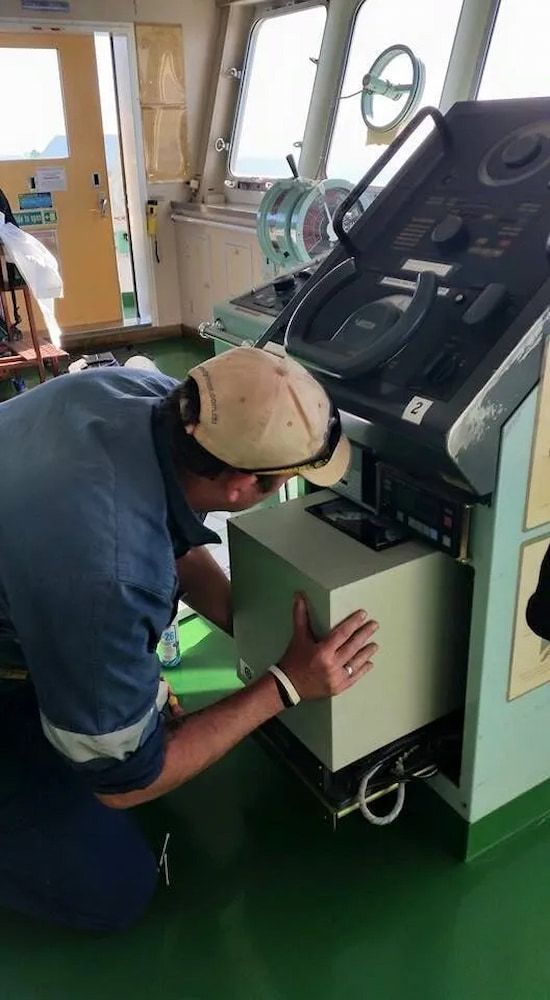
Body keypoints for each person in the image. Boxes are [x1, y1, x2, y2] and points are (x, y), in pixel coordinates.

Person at [0, 347, 379, 931]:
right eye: (285, 481)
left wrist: (243, 622)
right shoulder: (109, 575)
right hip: (35, 625)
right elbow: (128, 785)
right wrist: (286, 685)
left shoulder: (138, 395)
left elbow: (165, 527)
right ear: (243, 487)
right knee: (115, 890)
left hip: (32, 579)